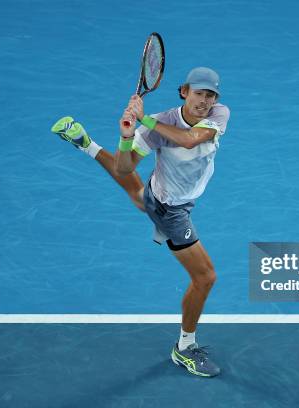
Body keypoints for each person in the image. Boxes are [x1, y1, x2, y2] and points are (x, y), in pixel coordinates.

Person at [51, 67, 229, 377]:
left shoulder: (218, 114)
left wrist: (145, 121)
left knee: (138, 195)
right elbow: (125, 166)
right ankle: (185, 347)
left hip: (168, 193)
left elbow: (191, 140)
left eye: (211, 94)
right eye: (199, 92)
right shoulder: (158, 125)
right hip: (171, 209)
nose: (205, 100)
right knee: (205, 277)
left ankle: (85, 143)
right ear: (185, 91)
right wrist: (126, 137)